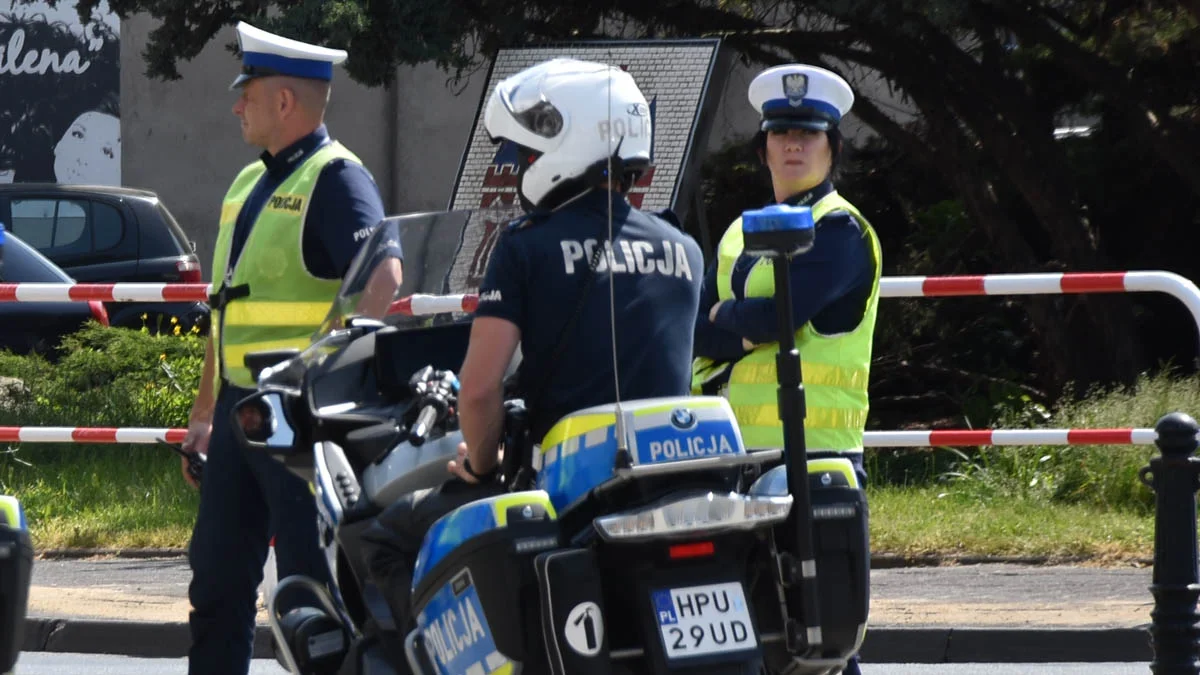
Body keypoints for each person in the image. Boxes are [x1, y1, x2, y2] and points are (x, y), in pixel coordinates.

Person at [355, 57, 704, 669]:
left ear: (570, 143)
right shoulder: (685, 250)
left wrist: (481, 462)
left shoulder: (526, 246)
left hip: (567, 491)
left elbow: (482, 387)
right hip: (669, 488)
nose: (517, 167)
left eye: (526, 152)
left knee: (381, 538)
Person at [180, 21, 401, 675]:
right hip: (239, 417)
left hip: (300, 419)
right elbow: (224, 313)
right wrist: (203, 412)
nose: (234, 104)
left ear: (284, 102)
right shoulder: (246, 185)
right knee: (217, 588)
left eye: (245, 92)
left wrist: (324, 381)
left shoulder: (338, 179)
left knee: (310, 598)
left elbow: (384, 280)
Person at [692, 63, 881, 674]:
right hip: (735, 459)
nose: (793, 145)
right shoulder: (733, 236)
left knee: (823, 640)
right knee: (754, 641)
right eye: (780, 133)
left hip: (817, 460)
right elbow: (695, 329)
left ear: (833, 147)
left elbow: (780, 317)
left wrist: (739, 322)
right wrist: (741, 322)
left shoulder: (843, 231)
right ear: (763, 147)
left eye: (808, 133)